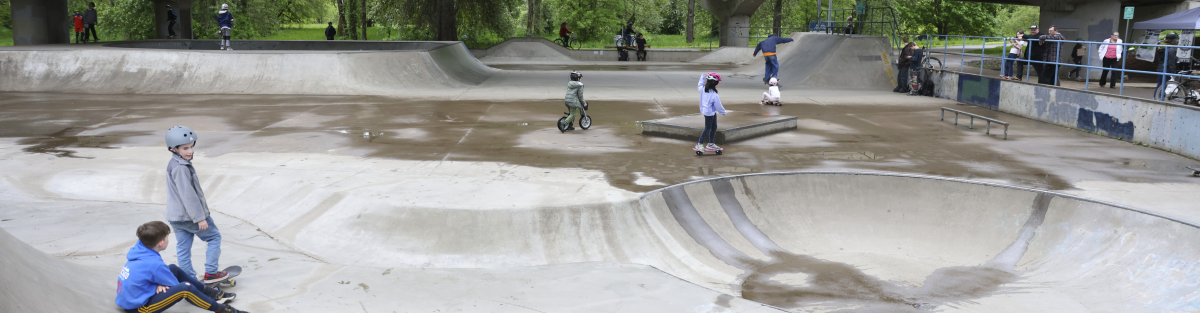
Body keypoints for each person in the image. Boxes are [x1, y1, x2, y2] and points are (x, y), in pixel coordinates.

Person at [115, 221, 246, 313]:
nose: (168, 239)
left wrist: (157, 285)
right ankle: (223, 310)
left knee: (173, 268)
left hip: (132, 297)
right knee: (185, 288)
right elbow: (176, 287)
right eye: (167, 237)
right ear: (161, 243)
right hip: (139, 308)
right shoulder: (155, 264)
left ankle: (211, 293)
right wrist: (159, 285)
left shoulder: (141, 246)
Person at [164, 126, 231, 284]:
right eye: (185, 148)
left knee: (183, 249)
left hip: (176, 217)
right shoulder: (181, 168)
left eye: (192, 146)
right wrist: (200, 218)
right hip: (190, 216)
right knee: (214, 237)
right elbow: (189, 196)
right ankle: (211, 273)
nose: (190, 151)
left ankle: (189, 281)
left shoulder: (175, 163)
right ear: (173, 149)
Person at [694, 73, 727, 153]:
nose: (718, 84)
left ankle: (711, 144)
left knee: (714, 126)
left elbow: (699, 84)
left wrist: (702, 76)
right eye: (717, 83)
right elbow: (718, 106)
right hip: (709, 113)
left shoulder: (702, 89)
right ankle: (699, 144)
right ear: (713, 83)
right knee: (708, 128)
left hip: (710, 112)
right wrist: (723, 112)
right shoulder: (714, 95)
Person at [1154, 33, 1180, 100]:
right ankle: (1160, 99)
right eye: (1176, 40)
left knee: (1159, 84)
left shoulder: (1161, 45)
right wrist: (1173, 73)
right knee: (1164, 85)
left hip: (1160, 67)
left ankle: (1155, 98)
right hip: (1166, 68)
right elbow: (1171, 62)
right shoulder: (1171, 49)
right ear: (1173, 40)